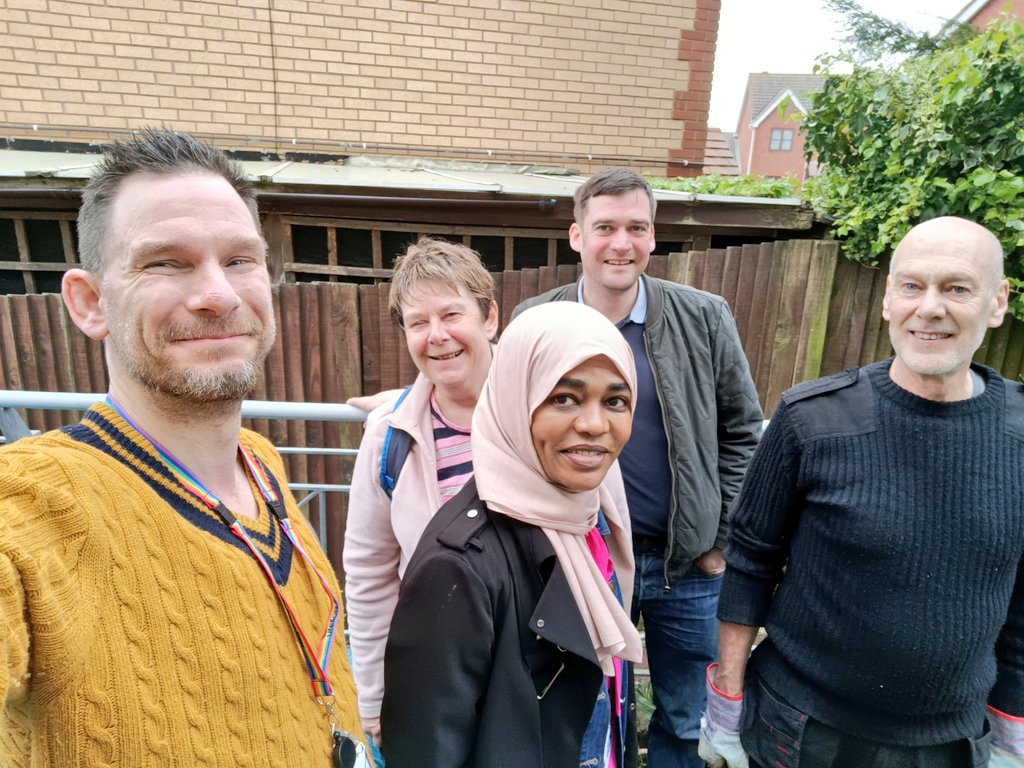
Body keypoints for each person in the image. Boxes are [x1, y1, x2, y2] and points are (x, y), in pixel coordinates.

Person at [0, 129, 366, 766]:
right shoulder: (31, 502)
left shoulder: (263, 467)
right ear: (90, 304)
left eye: (241, 260)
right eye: (165, 262)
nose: (218, 293)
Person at [700, 216, 1024, 768]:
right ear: (887, 299)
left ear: (997, 303)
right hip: (803, 730)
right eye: (912, 285)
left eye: (957, 288)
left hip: (951, 740)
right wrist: (726, 706)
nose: (929, 308)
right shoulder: (810, 418)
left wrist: (1011, 732)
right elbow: (751, 561)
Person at [513, 167, 764, 768]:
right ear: (576, 236)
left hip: (690, 568)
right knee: (590, 710)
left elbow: (744, 432)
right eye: (604, 227)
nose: (620, 243)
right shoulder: (536, 318)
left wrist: (720, 537)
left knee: (685, 715)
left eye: (636, 228)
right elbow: (502, 419)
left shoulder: (704, 317)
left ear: (653, 238)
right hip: (584, 560)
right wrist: (402, 402)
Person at [380, 301, 644, 768]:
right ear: (514, 398)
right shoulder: (458, 567)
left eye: (615, 401)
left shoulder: (585, 516)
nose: (595, 425)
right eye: (564, 398)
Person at [343, 236, 499, 746]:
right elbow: (369, 574)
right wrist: (375, 695)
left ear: (489, 318)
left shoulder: (544, 414)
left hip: (538, 671)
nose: (437, 336)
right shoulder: (390, 438)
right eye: (417, 322)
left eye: (452, 314)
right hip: (436, 673)